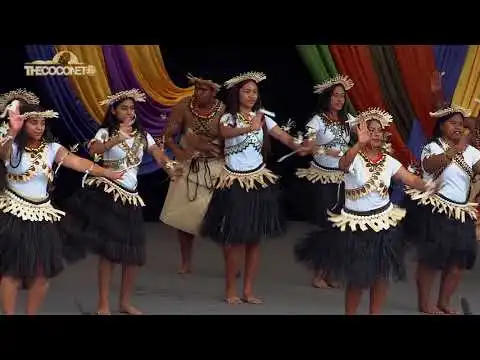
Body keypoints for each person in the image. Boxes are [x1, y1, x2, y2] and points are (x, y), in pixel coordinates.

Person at [295, 108, 437, 315]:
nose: (377, 134)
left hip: (383, 224)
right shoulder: (353, 158)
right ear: (361, 133)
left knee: (381, 274)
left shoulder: (389, 161)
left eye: (380, 130)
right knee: (358, 278)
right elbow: (343, 165)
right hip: (356, 225)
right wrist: (359, 144)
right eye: (371, 130)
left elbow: (410, 179)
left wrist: (429, 186)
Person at [64, 89, 181, 315]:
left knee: (133, 252)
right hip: (110, 195)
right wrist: (117, 138)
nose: (129, 112)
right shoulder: (105, 132)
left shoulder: (142, 135)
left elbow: (157, 153)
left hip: (131, 197)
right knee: (110, 252)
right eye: (124, 108)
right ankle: (103, 303)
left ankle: (125, 302)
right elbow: (95, 151)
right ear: (114, 111)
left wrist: (169, 165)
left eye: (132, 108)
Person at [0, 100, 124, 315]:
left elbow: (78, 163)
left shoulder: (52, 148)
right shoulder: (12, 146)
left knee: (41, 274)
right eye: (33, 123)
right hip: (14, 214)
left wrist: (106, 173)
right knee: (12, 273)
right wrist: (12, 131)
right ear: (23, 124)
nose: (39, 127)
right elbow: (4, 155)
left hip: (42, 216)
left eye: (42, 123)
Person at [200, 71, 309, 304]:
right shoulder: (228, 117)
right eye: (246, 91)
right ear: (237, 93)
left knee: (254, 239)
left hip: (257, 182)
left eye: (254, 92)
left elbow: (283, 136)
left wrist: (298, 145)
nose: (251, 96)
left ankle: (248, 290)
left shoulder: (262, 118)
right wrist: (248, 128)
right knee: (236, 239)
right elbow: (225, 132)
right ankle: (231, 289)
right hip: (234, 182)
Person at [404, 105, 480, 315]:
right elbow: (430, 166)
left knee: (457, 262)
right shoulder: (433, 147)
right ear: (441, 127)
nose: (458, 127)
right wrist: (457, 149)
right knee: (431, 260)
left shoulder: (471, 152)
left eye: (460, 124)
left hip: (461, 212)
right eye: (453, 123)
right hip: (436, 209)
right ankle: (425, 304)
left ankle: (444, 302)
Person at [291, 74, 356, 289]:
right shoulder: (316, 120)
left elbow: (366, 134)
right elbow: (306, 146)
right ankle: (319, 273)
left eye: (342, 96)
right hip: (323, 177)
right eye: (335, 96)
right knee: (327, 224)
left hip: (343, 178)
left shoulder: (347, 121)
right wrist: (327, 150)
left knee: (340, 226)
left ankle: (329, 272)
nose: (339, 100)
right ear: (327, 98)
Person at [160, 74, 227, 274]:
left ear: (213, 92)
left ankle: (229, 262)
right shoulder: (184, 106)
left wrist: (207, 146)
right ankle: (186, 261)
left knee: (222, 217)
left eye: (203, 89)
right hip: (189, 164)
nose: (198, 93)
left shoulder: (224, 110)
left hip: (216, 165)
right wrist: (180, 154)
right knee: (183, 216)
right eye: (196, 88)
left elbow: (229, 140)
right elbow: (168, 136)